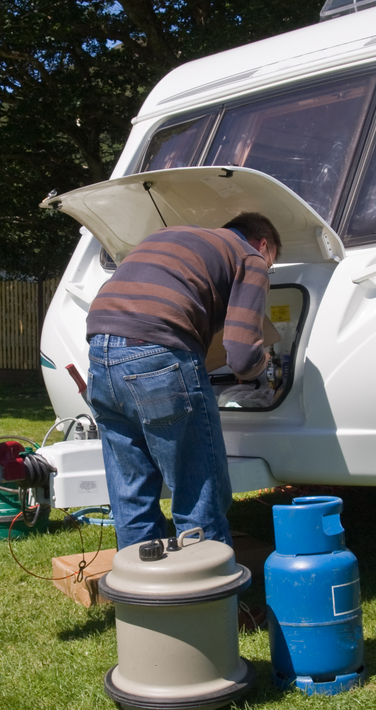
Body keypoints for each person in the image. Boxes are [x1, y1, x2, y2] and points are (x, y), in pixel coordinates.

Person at [85, 212, 281, 549]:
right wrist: (264, 362)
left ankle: (138, 581)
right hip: (157, 352)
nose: (267, 267)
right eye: (272, 262)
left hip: (100, 354)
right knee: (198, 492)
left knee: (131, 493)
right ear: (263, 245)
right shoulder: (251, 257)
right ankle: (207, 581)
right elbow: (242, 358)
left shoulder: (169, 235)